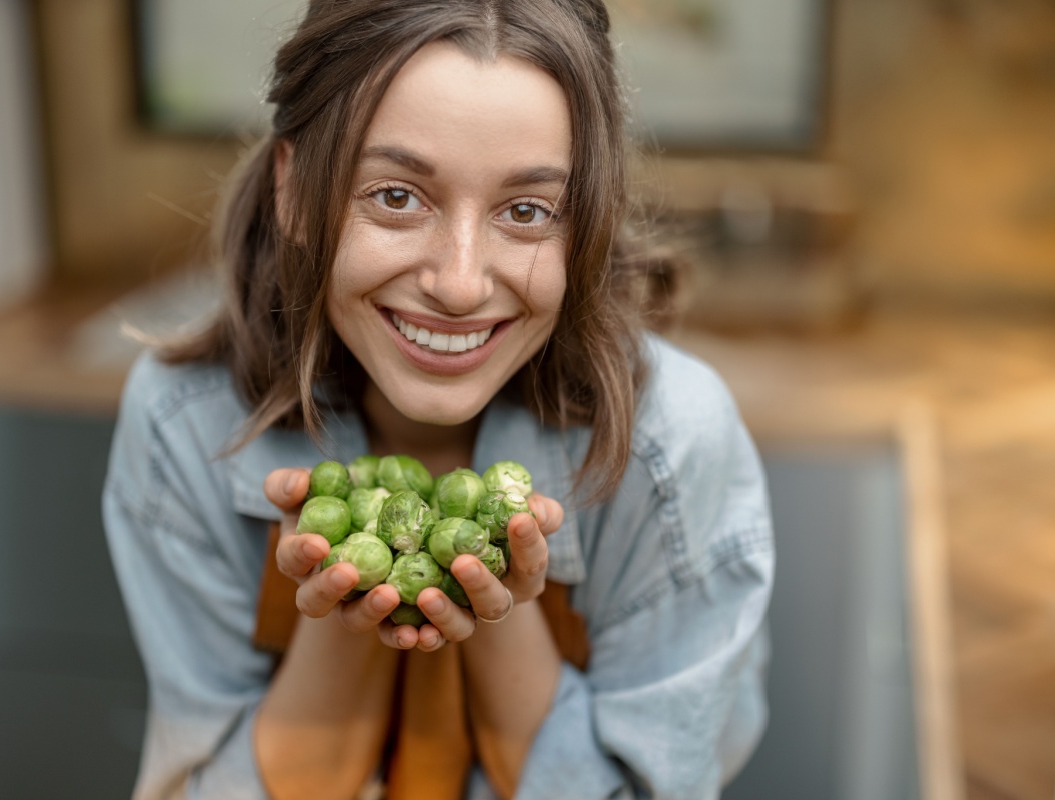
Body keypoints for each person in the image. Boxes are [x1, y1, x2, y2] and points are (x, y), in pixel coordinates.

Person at [102, 1, 774, 798]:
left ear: (583, 222)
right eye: (395, 196)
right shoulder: (184, 422)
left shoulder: (672, 446)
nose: (459, 284)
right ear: (293, 189)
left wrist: (491, 599)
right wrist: (349, 596)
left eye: (526, 211)